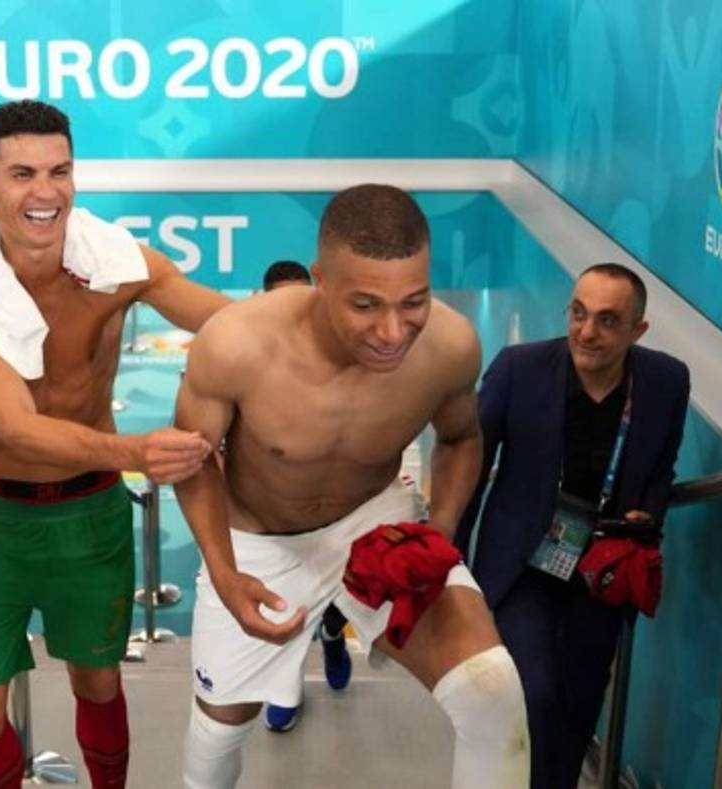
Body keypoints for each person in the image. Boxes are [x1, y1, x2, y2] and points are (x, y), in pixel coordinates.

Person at [0, 99, 229, 789]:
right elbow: (15, 426)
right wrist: (139, 452)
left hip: (89, 518)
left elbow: (224, 321)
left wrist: (313, 319)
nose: (45, 192)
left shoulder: (119, 266)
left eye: (60, 171)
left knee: (97, 681)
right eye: (22, 173)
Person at [175, 184, 529, 789]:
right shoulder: (236, 345)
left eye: (413, 301)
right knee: (219, 732)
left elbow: (460, 438)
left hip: (376, 523)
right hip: (260, 541)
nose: (393, 332)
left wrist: (437, 533)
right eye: (365, 305)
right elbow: (194, 462)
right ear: (321, 279)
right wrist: (225, 571)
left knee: (492, 694)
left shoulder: (449, 345)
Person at [454, 263, 690, 789]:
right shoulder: (519, 368)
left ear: (637, 330)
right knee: (533, 691)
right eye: (579, 314)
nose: (587, 332)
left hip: (602, 572)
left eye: (608, 321)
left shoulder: (667, 381)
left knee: (581, 701)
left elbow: (663, 465)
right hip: (522, 564)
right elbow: (469, 463)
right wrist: (454, 568)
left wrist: (649, 513)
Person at [256, 260, 353, 735]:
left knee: (333, 600)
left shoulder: (344, 356)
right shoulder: (244, 356)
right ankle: (285, 682)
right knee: (285, 603)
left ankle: (333, 635)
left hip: (337, 511)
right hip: (275, 514)